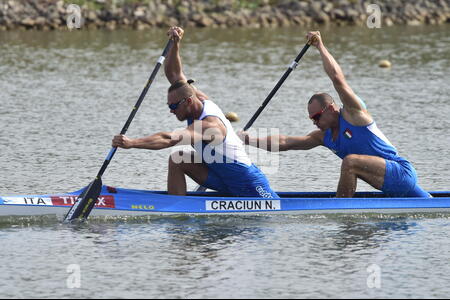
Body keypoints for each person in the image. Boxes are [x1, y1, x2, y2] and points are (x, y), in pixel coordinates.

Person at [239, 31, 430, 198]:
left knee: (350, 162)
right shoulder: (324, 136)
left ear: (331, 108)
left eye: (317, 117)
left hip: (401, 173)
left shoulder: (354, 115)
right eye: (311, 119)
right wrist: (247, 139)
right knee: (428, 204)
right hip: (391, 184)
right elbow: (286, 142)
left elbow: (338, 79)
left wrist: (320, 46)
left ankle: (341, 210)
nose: (314, 123)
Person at [112, 26, 278, 198]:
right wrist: (175, 44)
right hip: (222, 177)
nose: (171, 111)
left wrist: (132, 143)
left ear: (188, 102)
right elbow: (175, 75)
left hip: (248, 184)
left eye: (174, 107)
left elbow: (169, 139)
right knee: (178, 158)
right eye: (169, 106)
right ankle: (176, 208)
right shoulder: (196, 97)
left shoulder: (210, 126)